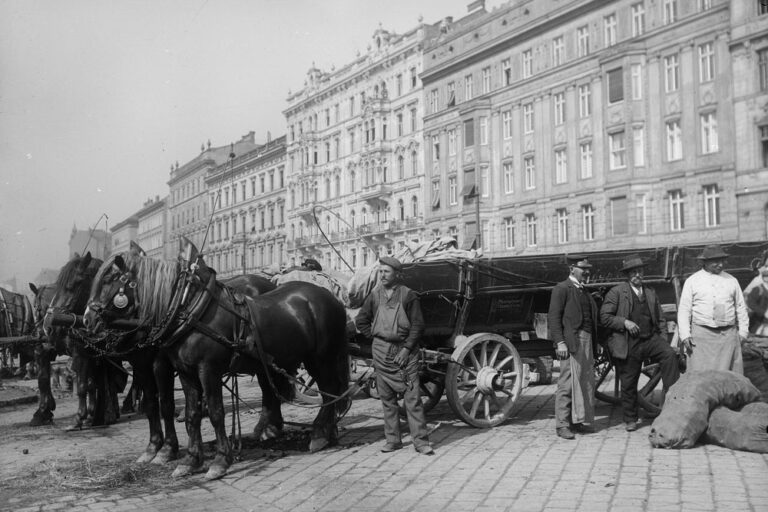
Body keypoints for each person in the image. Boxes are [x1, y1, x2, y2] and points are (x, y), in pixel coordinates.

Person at [355, 256, 434, 455]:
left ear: (397, 274)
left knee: (413, 399)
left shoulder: (408, 296)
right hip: (381, 353)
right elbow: (361, 321)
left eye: (386, 272)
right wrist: (375, 336)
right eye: (380, 271)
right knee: (387, 400)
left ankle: (421, 442)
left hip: (404, 354)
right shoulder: (374, 295)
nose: (382, 275)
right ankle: (393, 440)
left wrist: (406, 349)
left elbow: (418, 325)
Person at [600, 254, 680, 432]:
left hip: (650, 339)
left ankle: (672, 399)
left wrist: (663, 340)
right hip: (629, 342)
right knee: (628, 382)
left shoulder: (650, 293)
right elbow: (605, 317)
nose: (637, 275)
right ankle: (630, 418)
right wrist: (624, 322)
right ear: (627, 275)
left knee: (669, 355)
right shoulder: (617, 292)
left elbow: (660, 319)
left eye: (640, 271)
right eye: (633, 272)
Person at [677, 245, 749, 373]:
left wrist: (743, 331)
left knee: (730, 378)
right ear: (704, 262)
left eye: (722, 261)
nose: (720, 264)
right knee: (700, 376)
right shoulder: (692, 281)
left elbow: (741, 307)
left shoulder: (732, 281)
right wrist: (685, 335)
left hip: (728, 336)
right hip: (701, 337)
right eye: (716, 261)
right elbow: (684, 310)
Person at [548, 255, 598, 440]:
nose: (586, 272)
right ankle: (562, 425)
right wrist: (560, 342)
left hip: (586, 340)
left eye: (588, 269)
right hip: (571, 341)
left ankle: (577, 421)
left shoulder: (583, 291)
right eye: (582, 269)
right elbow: (554, 318)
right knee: (567, 383)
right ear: (572, 269)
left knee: (584, 382)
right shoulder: (562, 289)